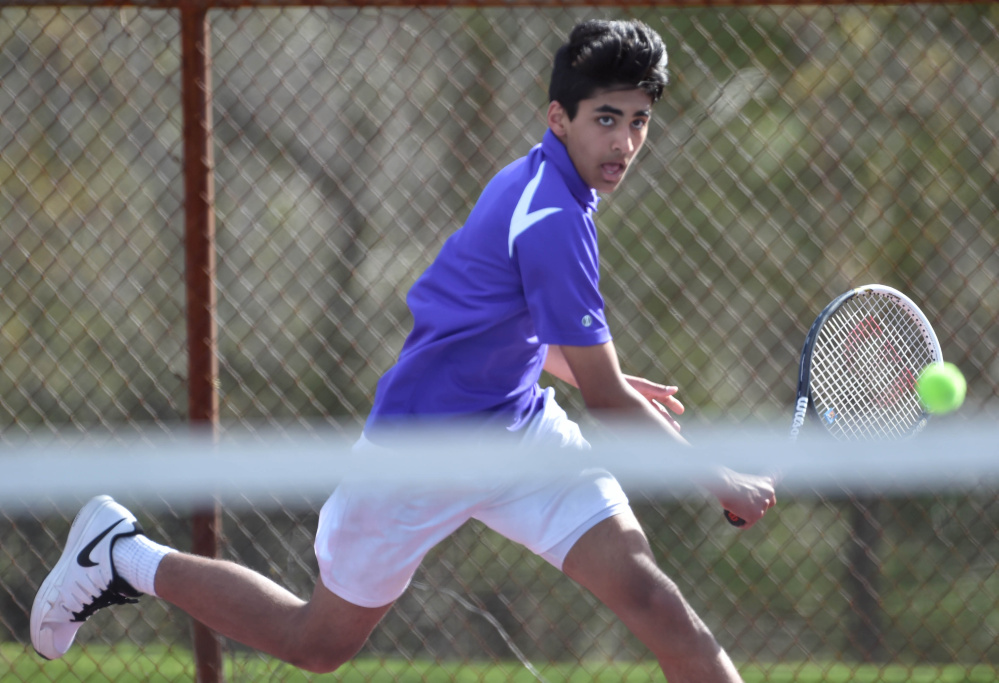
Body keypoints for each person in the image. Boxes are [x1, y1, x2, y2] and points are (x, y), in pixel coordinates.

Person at [31, 19, 775, 683]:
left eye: (639, 121)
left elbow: (475, 311)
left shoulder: (544, 186)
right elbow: (606, 403)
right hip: (418, 452)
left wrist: (580, 368)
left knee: (654, 600)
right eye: (605, 118)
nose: (623, 141)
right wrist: (721, 480)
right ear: (559, 117)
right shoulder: (548, 212)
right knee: (316, 642)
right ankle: (120, 553)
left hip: (518, 432)